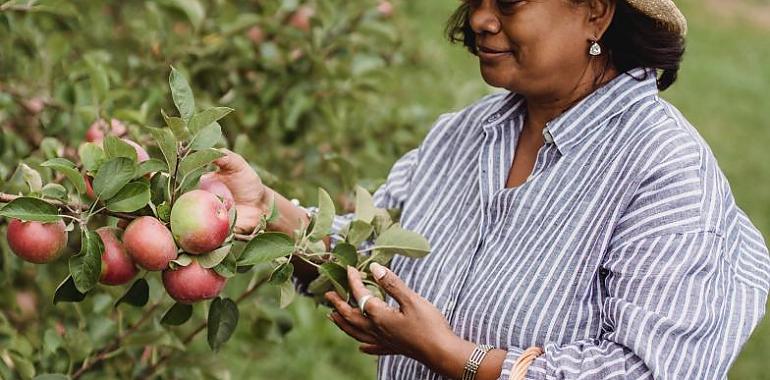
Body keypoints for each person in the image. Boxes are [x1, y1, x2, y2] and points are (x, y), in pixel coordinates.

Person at [208, 0, 770, 378]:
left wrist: (458, 358)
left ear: (596, 12)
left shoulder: (661, 167)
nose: (480, 18)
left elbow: (653, 370)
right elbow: (372, 255)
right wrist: (273, 213)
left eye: (509, 1)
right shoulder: (467, 132)